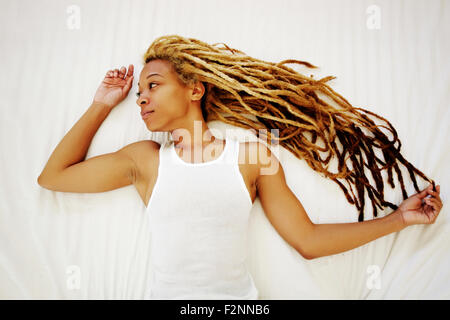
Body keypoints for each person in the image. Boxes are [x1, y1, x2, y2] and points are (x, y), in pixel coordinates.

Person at [37, 35, 443, 300]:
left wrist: (399, 220)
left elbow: (308, 241)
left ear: (195, 89)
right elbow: (53, 177)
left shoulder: (253, 157)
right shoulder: (143, 159)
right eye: (139, 92)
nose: (141, 99)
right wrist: (103, 103)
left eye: (154, 85)